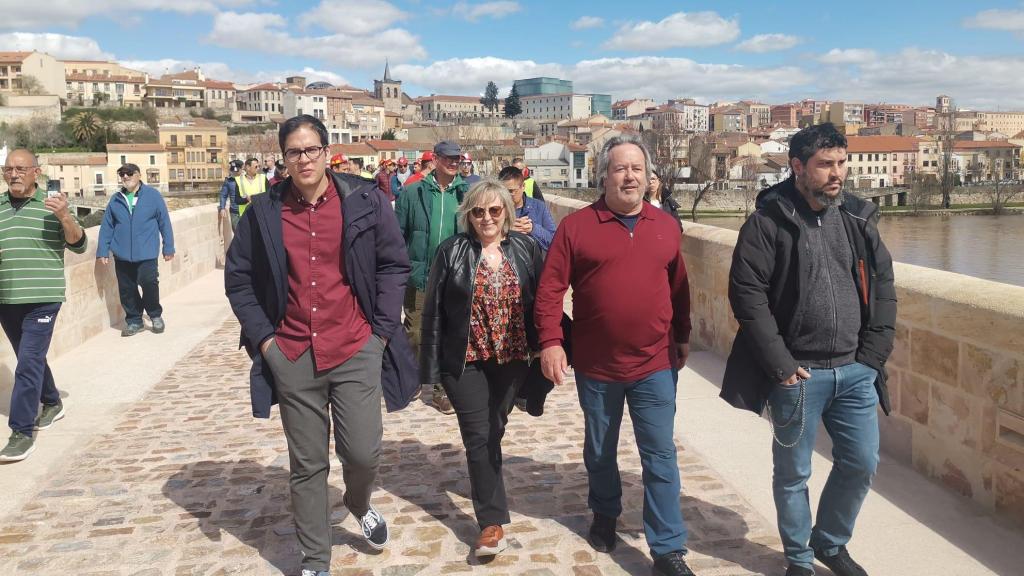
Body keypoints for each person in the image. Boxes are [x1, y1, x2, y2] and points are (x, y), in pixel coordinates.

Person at [225, 115, 418, 576]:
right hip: (293, 354)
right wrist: (266, 342)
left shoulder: (365, 201)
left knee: (363, 452)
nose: (304, 159)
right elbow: (238, 279)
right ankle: (315, 560)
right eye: (294, 152)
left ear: (328, 152)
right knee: (307, 465)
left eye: (312, 149)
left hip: (355, 347)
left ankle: (358, 501)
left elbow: (394, 266)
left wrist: (380, 334)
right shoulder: (263, 212)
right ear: (283, 159)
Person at [721, 123, 896, 576]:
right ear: (797, 166)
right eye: (825, 165)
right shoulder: (767, 223)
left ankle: (830, 542)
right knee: (793, 474)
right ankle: (799, 560)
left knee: (861, 463)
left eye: (841, 163)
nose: (837, 173)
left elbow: (884, 288)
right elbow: (747, 296)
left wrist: (872, 358)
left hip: (855, 371)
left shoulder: (857, 219)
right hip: (798, 375)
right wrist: (781, 365)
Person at [534, 135, 695, 576]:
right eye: (620, 168)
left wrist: (682, 335)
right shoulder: (576, 227)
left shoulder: (666, 226)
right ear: (604, 175)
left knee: (660, 454)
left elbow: (679, 288)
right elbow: (550, 289)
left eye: (637, 169)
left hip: (655, 362)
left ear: (648, 176)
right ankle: (605, 511)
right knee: (601, 449)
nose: (629, 176)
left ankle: (668, 548)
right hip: (598, 365)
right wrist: (551, 341)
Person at [420, 179, 544, 557]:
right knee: (479, 436)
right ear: (468, 215)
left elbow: (543, 301)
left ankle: (487, 482)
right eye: (478, 211)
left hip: (512, 359)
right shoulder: (451, 251)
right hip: (465, 360)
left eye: (494, 210)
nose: (486, 218)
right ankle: (491, 523)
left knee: (493, 430)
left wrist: (549, 348)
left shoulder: (525, 248)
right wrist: (430, 375)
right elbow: (433, 314)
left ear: (506, 210)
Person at [0, 149, 87, 462]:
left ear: (36, 172)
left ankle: (21, 432)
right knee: (31, 358)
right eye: (8, 169)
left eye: (21, 169)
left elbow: (79, 244)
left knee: (27, 363)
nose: (14, 174)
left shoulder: (54, 204)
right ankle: (52, 401)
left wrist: (64, 216)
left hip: (43, 298)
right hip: (7, 299)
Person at [394, 141, 468, 414]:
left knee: (446, 333)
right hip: (419, 274)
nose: (453, 162)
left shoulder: (466, 194)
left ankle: (439, 389)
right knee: (414, 332)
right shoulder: (412, 193)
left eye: (457, 158)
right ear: (435, 159)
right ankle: (412, 376)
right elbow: (397, 235)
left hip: (453, 277)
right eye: (448, 158)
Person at [96, 163, 176, 337]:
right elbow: (107, 226)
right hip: (122, 253)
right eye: (122, 174)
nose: (125, 176)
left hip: (147, 252)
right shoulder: (116, 199)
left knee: (149, 283)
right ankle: (134, 321)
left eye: (129, 173)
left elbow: (164, 222)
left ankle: (155, 315)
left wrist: (168, 246)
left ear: (139, 175)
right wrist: (103, 250)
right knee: (127, 289)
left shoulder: (153, 196)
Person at [498, 166, 556, 251]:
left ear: (523, 186)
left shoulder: (539, 207)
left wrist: (533, 228)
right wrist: (505, 231)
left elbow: (554, 241)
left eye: (511, 191)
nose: (506, 196)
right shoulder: (494, 210)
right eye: (503, 192)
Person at [218, 159, 245, 230]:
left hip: (246, 211)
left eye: (235, 171)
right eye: (232, 171)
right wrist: (222, 208)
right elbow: (223, 195)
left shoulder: (247, 179)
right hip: (235, 212)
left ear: (241, 169)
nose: (233, 172)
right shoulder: (228, 181)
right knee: (237, 233)